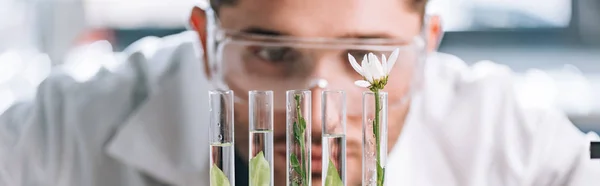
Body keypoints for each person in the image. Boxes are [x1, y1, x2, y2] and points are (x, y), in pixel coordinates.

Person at [1, 0, 599, 185]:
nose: (315, 115)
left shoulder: (515, 145)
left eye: (368, 57)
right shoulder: (59, 134)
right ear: (206, 40)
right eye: (270, 52)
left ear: (428, 45)